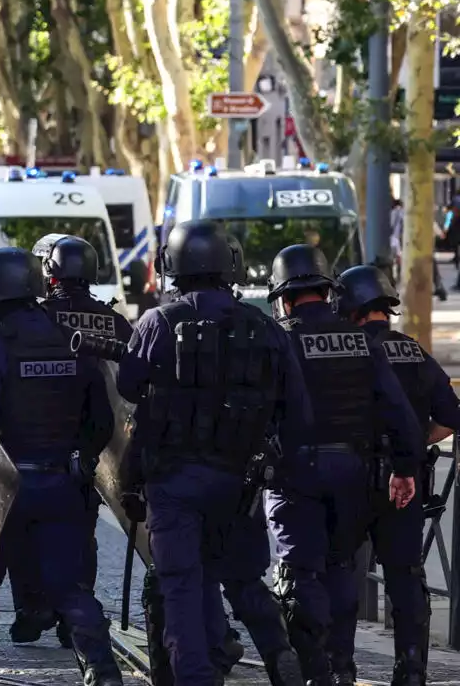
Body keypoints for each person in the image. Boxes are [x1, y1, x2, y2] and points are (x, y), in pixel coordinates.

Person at [118, 221, 310, 686]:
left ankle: (197, 677)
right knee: (243, 578)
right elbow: (298, 414)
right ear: (230, 266)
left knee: (181, 586)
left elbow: (127, 385)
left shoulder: (157, 323)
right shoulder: (264, 328)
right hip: (239, 481)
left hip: (173, 482)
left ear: (173, 266)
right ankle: (278, 651)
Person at [0, 246, 122, 686]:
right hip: (62, 486)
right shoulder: (73, 342)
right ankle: (103, 673)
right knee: (72, 589)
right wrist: (79, 458)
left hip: (2, 492)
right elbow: (102, 420)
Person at [263, 244, 422, 686]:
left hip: (295, 472)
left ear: (285, 296)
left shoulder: (278, 337)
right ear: (327, 291)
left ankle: (319, 669)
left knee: (299, 572)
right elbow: (398, 410)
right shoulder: (360, 341)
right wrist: (405, 468)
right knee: (339, 566)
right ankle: (342, 667)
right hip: (352, 471)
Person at [334, 265, 460, 686]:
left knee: (341, 573)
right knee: (406, 579)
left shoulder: (344, 348)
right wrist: (414, 443)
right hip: (404, 483)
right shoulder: (413, 351)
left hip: (349, 481)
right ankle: (411, 670)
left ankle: (340, 668)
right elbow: (450, 416)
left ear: (350, 306)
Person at [8, 234, 132, 647]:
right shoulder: (114, 321)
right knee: (83, 533)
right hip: (102, 445)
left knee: (24, 530)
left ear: (51, 272)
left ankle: (33, 607)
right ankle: (72, 617)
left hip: (46, 438)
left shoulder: (41, 317)